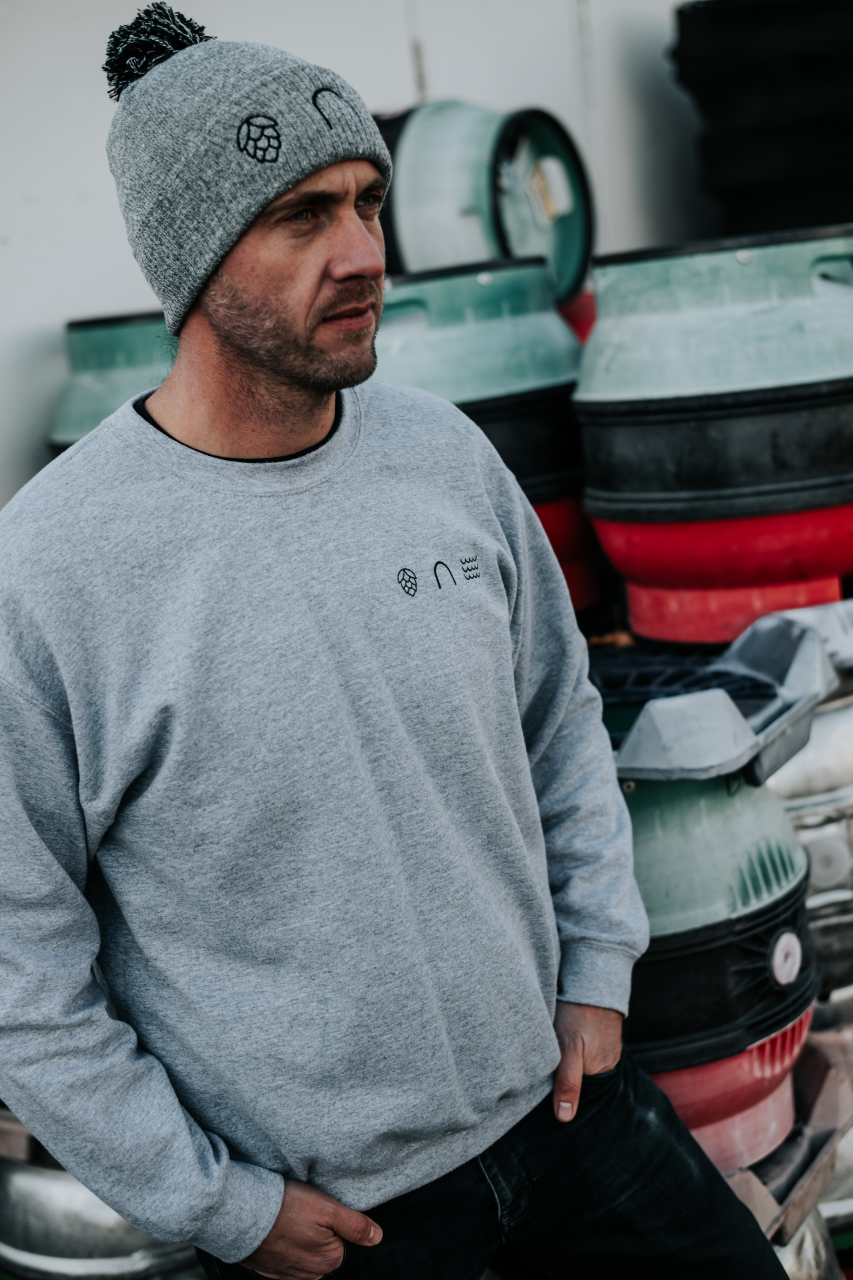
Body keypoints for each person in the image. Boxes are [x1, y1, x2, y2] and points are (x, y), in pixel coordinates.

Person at [0, 7, 786, 1279]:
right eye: (301, 215)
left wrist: (596, 961)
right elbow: (20, 968)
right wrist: (220, 1206)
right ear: (191, 255)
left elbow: (558, 717)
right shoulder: (48, 572)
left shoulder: (441, 455)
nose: (363, 250)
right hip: (346, 1223)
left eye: (367, 201)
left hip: (570, 1111)